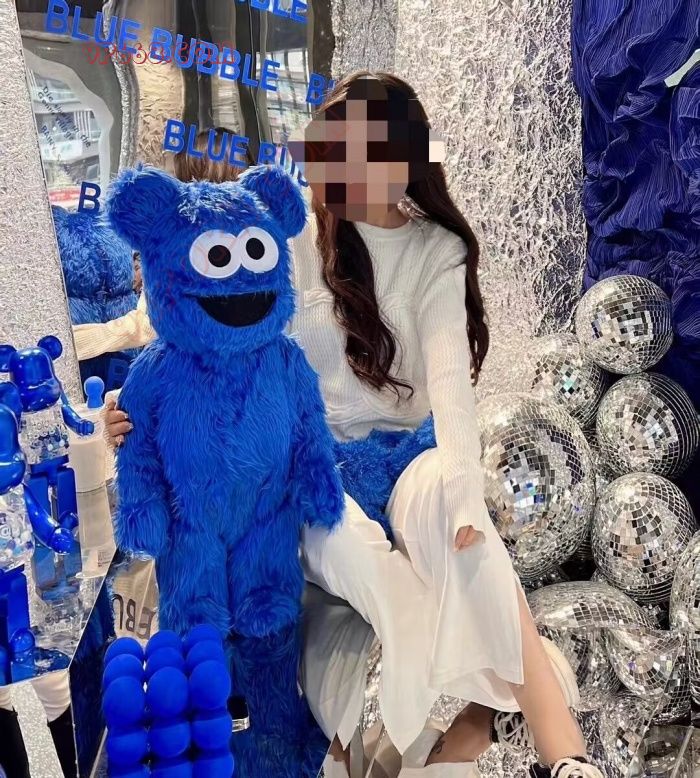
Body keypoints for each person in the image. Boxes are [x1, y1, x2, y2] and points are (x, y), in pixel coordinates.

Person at [103, 74, 603, 778]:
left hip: (409, 455)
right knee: (355, 552)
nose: (335, 168)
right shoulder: (295, 237)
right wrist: (133, 402)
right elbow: (208, 320)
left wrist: (465, 497)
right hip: (314, 463)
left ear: (402, 159)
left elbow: (451, 386)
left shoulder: (436, 250)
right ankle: (434, 699)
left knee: (467, 533)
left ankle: (566, 755)